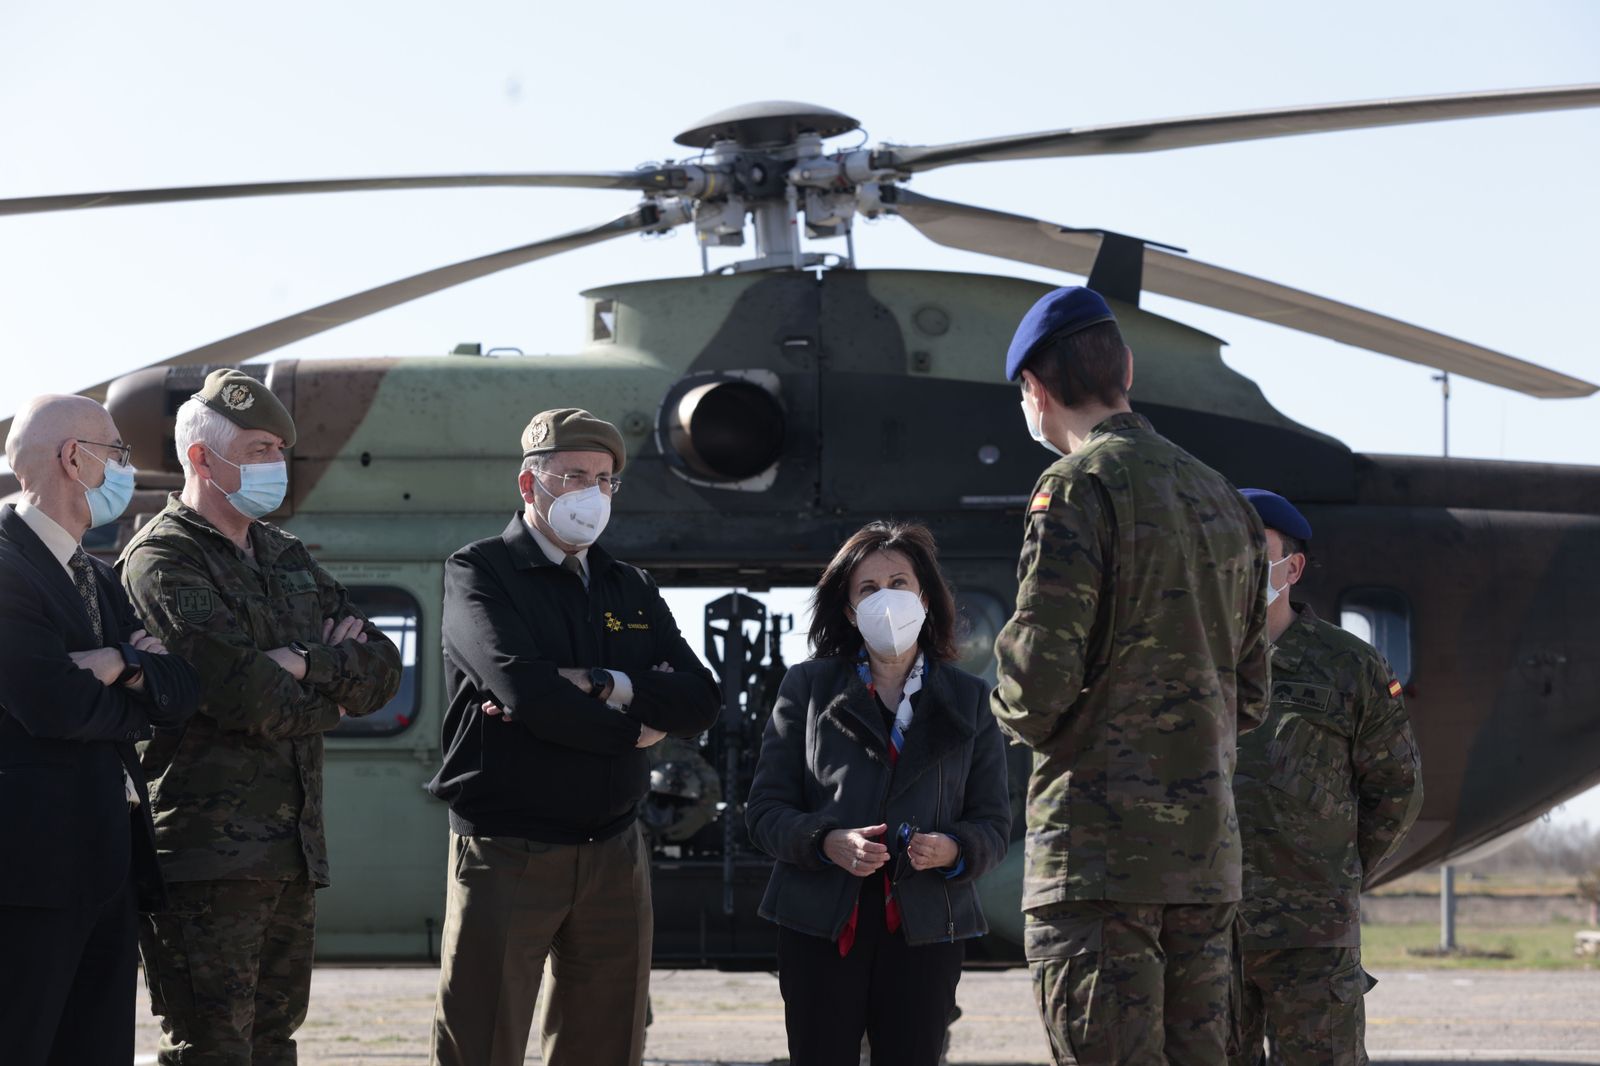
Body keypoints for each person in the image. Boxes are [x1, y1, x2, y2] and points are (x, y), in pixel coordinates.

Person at [991, 286, 1271, 1066]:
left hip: (1098, 860)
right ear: (1128, 372)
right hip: (1205, 867)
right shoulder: (1227, 502)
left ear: (1037, 391)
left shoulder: (1075, 487)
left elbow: (1035, 685)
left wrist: (1002, 688)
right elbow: (1251, 693)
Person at [118, 369, 403, 1065]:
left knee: (274, 1044)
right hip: (204, 857)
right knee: (212, 1048)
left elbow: (385, 670)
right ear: (199, 459)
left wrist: (301, 663)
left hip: (292, 851)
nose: (274, 464)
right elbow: (242, 695)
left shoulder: (286, 555)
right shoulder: (163, 560)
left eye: (278, 449)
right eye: (256, 450)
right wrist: (328, 690)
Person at [427, 407, 720, 1066]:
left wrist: (599, 682)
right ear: (530, 486)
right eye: (574, 476)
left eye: (605, 479)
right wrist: (639, 721)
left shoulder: (628, 585)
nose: (592, 493)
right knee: (482, 1038)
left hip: (615, 848)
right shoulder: (481, 573)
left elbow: (700, 698)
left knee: (607, 1040)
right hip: (508, 848)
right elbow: (525, 693)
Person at [747, 520, 1011, 1066]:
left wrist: (955, 849)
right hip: (821, 924)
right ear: (847, 609)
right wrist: (826, 840)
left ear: (926, 599)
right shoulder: (808, 687)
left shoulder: (971, 698)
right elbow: (765, 812)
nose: (885, 600)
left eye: (899, 584)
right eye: (868, 590)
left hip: (927, 925)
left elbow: (993, 822)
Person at [0, 394, 199, 1066]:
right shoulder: (4, 566)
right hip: (30, 872)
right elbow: (51, 705)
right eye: (117, 452)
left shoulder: (99, 577)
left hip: (108, 860)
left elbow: (179, 695)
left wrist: (118, 664)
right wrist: (136, 682)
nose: (124, 467)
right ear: (72, 457)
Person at [1231, 489, 1423, 1065]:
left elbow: (1396, 788)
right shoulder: (1183, 660)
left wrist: (1333, 872)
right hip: (1204, 929)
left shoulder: (1348, 665)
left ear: (1291, 568)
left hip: (1311, 933)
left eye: (1252, 552)